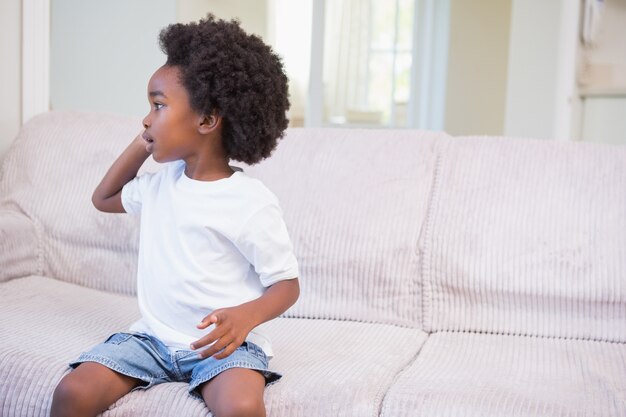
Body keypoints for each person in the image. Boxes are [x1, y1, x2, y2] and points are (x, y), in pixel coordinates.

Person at [50, 14, 300, 417]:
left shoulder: (250, 201)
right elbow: (104, 197)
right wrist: (143, 143)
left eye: (158, 105)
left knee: (240, 406)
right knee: (72, 393)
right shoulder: (159, 185)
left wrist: (246, 318)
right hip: (151, 341)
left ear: (206, 120)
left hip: (220, 347)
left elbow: (286, 285)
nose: (147, 118)